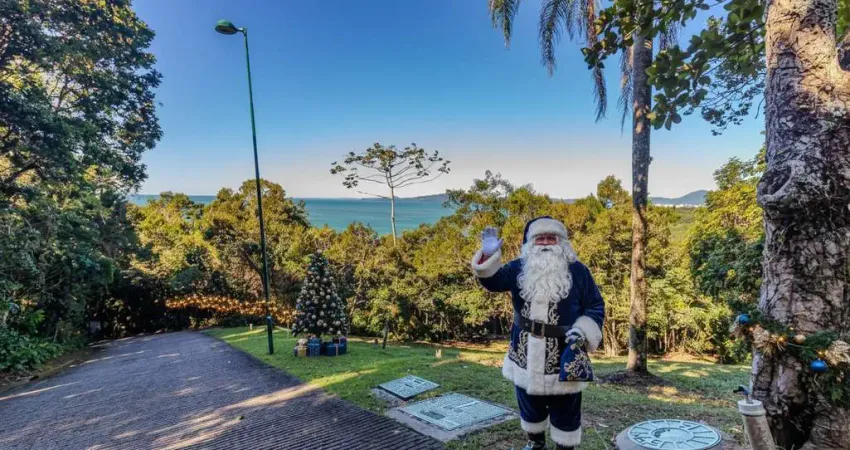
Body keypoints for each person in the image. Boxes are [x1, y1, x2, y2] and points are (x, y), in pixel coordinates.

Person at [471, 216, 605, 450]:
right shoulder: (517, 268)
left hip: (565, 353)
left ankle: (565, 446)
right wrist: (488, 256)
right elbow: (492, 282)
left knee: (566, 408)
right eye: (539, 238)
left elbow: (595, 305)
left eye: (550, 238)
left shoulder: (578, 271)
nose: (545, 243)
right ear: (530, 243)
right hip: (524, 353)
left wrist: (583, 331)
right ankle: (535, 442)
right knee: (529, 403)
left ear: (561, 242)